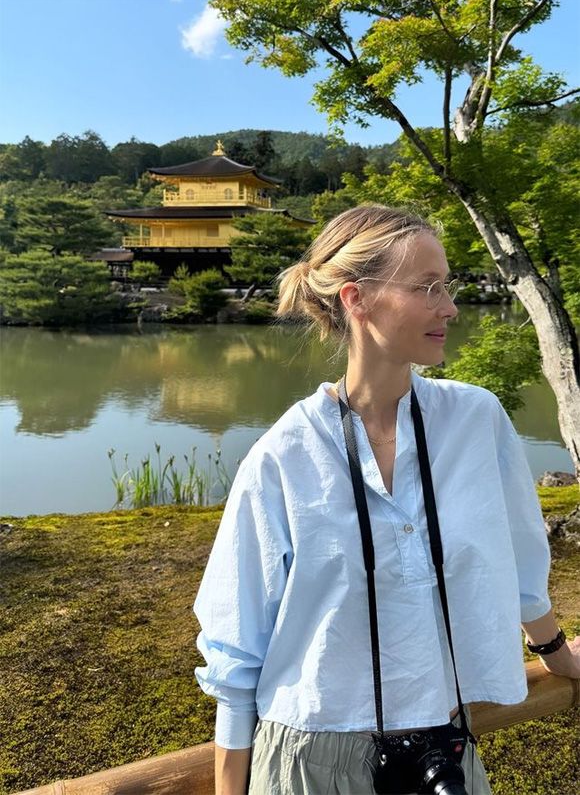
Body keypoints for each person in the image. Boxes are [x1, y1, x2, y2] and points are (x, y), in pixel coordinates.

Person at [194, 205, 580, 795]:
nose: (449, 307)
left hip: (445, 743)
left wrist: (558, 656)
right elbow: (236, 646)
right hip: (309, 756)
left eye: (445, 286)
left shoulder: (476, 421)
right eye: (428, 287)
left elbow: (521, 567)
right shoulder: (284, 456)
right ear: (357, 298)